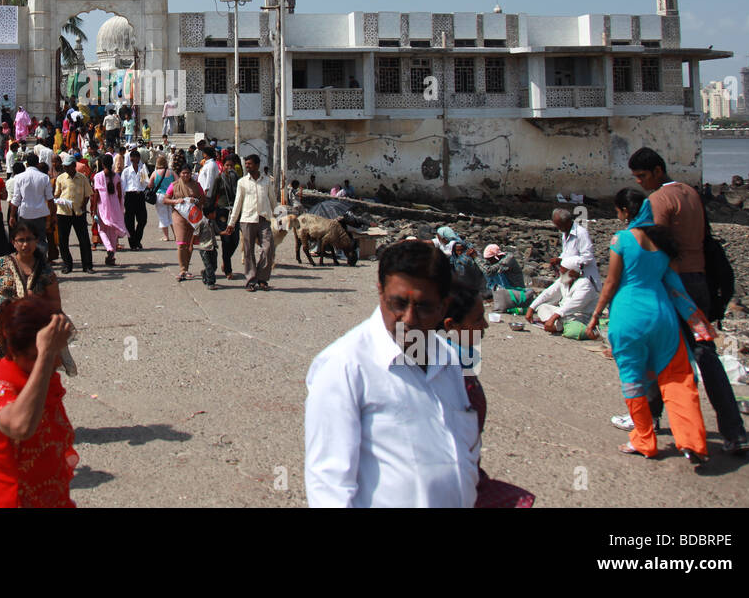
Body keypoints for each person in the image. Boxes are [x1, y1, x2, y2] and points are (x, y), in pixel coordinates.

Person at [304, 240, 479, 507]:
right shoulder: (344, 366)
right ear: (380, 293)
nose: (409, 319)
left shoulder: (448, 358)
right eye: (398, 303)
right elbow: (328, 485)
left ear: (444, 306)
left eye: (423, 306)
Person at [627, 147, 749, 455]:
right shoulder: (691, 194)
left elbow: (652, 244)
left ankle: (652, 421)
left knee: (659, 353)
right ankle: (735, 431)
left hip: (672, 285)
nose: (640, 183)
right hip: (700, 283)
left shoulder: (657, 201)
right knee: (706, 354)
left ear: (657, 170)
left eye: (642, 176)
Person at [584, 188, 710, 465]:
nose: (617, 216)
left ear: (626, 212)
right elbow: (674, 284)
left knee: (633, 379)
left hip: (628, 317)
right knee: (677, 378)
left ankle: (644, 439)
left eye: (617, 211)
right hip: (662, 315)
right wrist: (695, 320)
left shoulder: (622, 240)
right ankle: (692, 441)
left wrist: (595, 315)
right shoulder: (663, 244)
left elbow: (611, 283)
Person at [0, 295, 77, 508]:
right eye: (35, 357)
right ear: (15, 351)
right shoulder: (1, 385)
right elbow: (20, 426)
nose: (53, 362)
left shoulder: (42, 378)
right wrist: (45, 354)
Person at [442, 277, 536, 508]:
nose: (485, 325)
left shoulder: (454, 361)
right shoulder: (453, 376)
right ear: (451, 325)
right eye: (477, 319)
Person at [0, 220, 74, 375]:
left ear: (36, 241)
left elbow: (55, 305)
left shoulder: (45, 271)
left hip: (29, 333)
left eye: (29, 239)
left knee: (25, 376)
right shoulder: (2, 263)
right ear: (13, 242)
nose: (25, 245)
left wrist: (37, 303)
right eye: (21, 240)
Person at [224, 155, 277, 292]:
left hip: (264, 219)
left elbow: (273, 200)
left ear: (257, 165)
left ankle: (262, 278)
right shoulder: (242, 182)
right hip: (247, 219)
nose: (247, 166)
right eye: (246, 164)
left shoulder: (267, 181)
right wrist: (231, 223)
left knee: (268, 248)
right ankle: (251, 280)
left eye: (250, 164)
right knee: (248, 251)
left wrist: (279, 217)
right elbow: (238, 203)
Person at [526, 255, 598, 337]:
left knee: (568, 321)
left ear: (572, 272)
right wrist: (531, 308)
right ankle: (554, 324)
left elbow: (573, 305)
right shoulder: (564, 279)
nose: (561, 274)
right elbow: (548, 293)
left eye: (563, 273)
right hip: (562, 313)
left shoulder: (585, 284)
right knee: (543, 307)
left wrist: (554, 317)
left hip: (579, 316)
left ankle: (554, 325)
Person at [54, 154, 94, 274]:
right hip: (63, 212)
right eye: (64, 166)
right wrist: (58, 200)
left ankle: (87, 265)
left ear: (73, 166)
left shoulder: (82, 178)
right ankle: (67, 264)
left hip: (78, 212)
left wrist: (83, 205)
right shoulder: (60, 178)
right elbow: (56, 194)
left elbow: (88, 194)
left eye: (68, 166)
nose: (66, 168)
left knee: (84, 240)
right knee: (63, 241)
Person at [9, 153, 56, 257]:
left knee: (25, 239)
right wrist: (53, 215)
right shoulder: (44, 177)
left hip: (25, 214)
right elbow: (50, 198)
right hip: (40, 214)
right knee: (40, 239)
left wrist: (12, 216)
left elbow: (16, 199)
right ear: (38, 164)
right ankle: (41, 262)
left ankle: (27, 261)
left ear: (26, 164)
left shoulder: (19, 177)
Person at [164, 160, 203, 281]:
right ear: (180, 173)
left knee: (190, 244)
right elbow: (165, 199)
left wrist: (195, 201)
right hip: (179, 215)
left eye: (188, 173)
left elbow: (203, 199)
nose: (186, 175)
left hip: (193, 217)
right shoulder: (174, 185)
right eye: (183, 173)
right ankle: (182, 269)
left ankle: (186, 268)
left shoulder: (197, 185)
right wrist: (176, 201)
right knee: (181, 243)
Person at [550, 208, 602, 292]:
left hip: (584, 276)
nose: (558, 228)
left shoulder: (581, 233)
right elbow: (567, 253)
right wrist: (559, 259)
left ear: (567, 222)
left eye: (559, 225)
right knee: (560, 292)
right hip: (569, 275)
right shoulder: (564, 233)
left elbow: (587, 257)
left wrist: (570, 265)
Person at [91, 153, 128, 266]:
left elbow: (96, 193)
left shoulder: (98, 176)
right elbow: (120, 194)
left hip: (103, 206)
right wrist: (121, 207)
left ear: (102, 164)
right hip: (115, 206)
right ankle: (111, 255)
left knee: (102, 229)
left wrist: (93, 208)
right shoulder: (116, 176)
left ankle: (109, 248)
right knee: (112, 232)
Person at [121, 148, 149, 251]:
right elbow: (123, 185)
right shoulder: (126, 171)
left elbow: (146, 183)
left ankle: (137, 239)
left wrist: (142, 178)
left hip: (140, 195)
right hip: (129, 196)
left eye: (137, 157)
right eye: (133, 157)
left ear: (139, 158)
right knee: (129, 222)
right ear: (130, 158)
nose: (135, 159)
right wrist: (122, 200)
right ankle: (133, 243)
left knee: (142, 220)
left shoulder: (142, 169)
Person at [149, 156, 175, 242]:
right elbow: (178, 181)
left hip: (159, 196)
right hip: (170, 196)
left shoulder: (155, 173)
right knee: (172, 216)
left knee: (162, 216)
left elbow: (150, 185)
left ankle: (166, 236)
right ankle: (176, 235)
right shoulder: (171, 172)